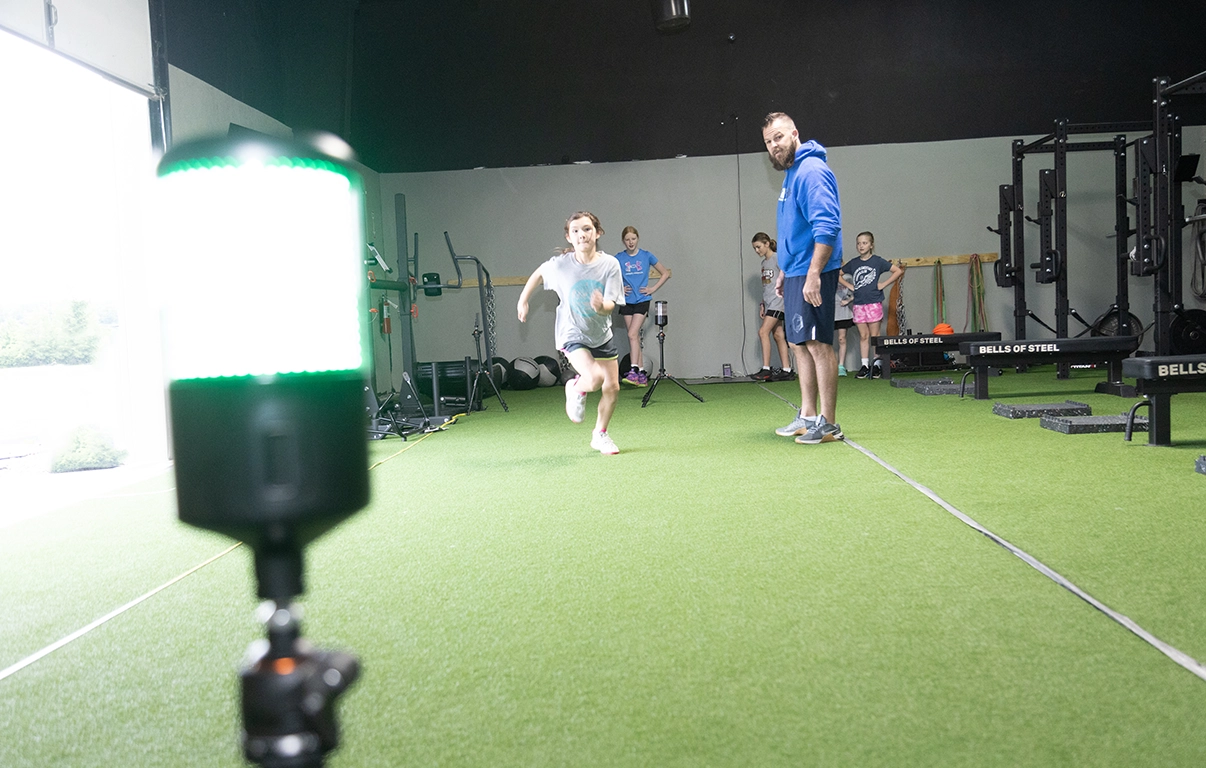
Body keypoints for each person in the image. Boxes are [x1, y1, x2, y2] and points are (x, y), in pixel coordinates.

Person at [761, 112, 844, 444]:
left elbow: (827, 226)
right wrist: (785, 269)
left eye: (779, 137)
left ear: (795, 134)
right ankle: (808, 415)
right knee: (798, 343)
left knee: (818, 344)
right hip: (796, 271)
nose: (774, 146)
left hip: (816, 271)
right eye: (768, 142)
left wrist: (812, 275)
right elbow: (795, 229)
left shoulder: (811, 171)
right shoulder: (792, 173)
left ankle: (829, 422)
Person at [517, 211, 625, 455]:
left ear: (597, 233)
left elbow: (612, 303)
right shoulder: (561, 265)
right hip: (571, 333)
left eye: (587, 229)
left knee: (612, 387)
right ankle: (575, 388)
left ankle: (600, 435)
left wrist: (601, 306)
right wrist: (523, 300)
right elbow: (538, 274)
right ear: (569, 237)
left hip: (601, 334)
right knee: (595, 378)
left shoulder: (610, 265)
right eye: (575, 231)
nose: (581, 235)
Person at [839, 231, 903, 379]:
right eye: (859, 243)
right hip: (859, 303)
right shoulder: (854, 263)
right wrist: (850, 286)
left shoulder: (877, 261)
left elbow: (897, 271)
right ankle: (865, 365)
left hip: (873, 302)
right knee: (864, 335)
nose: (861, 246)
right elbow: (838, 274)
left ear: (871, 245)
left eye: (865, 243)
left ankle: (877, 365)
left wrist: (883, 284)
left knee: (875, 336)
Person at [616, 226, 671, 386]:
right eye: (627, 239)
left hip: (642, 300)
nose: (630, 242)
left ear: (637, 239)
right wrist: (619, 289)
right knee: (634, 337)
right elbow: (607, 275)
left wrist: (653, 288)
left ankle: (634, 371)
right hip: (626, 301)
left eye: (633, 239)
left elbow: (665, 273)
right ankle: (641, 375)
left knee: (632, 334)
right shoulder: (619, 258)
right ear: (623, 241)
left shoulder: (646, 256)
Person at [749, 232, 793, 381]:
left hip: (778, 302)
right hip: (769, 303)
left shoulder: (777, 258)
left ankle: (766, 368)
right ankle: (787, 370)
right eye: (754, 248)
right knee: (778, 335)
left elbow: (787, 276)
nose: (757, 251)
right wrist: (762, 304)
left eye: (759, 247)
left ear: (767, 243)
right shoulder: (764, 263)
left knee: (763, 332)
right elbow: (766, 286)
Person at [834, 283, 855, 376]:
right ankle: (828, 366)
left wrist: (849, 300)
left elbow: (858, 291)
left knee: (841, 338)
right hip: (828, 312)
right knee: (826, 341)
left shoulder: (847, 277)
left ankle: (841, 366)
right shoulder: (826, 274)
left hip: (843, 312)